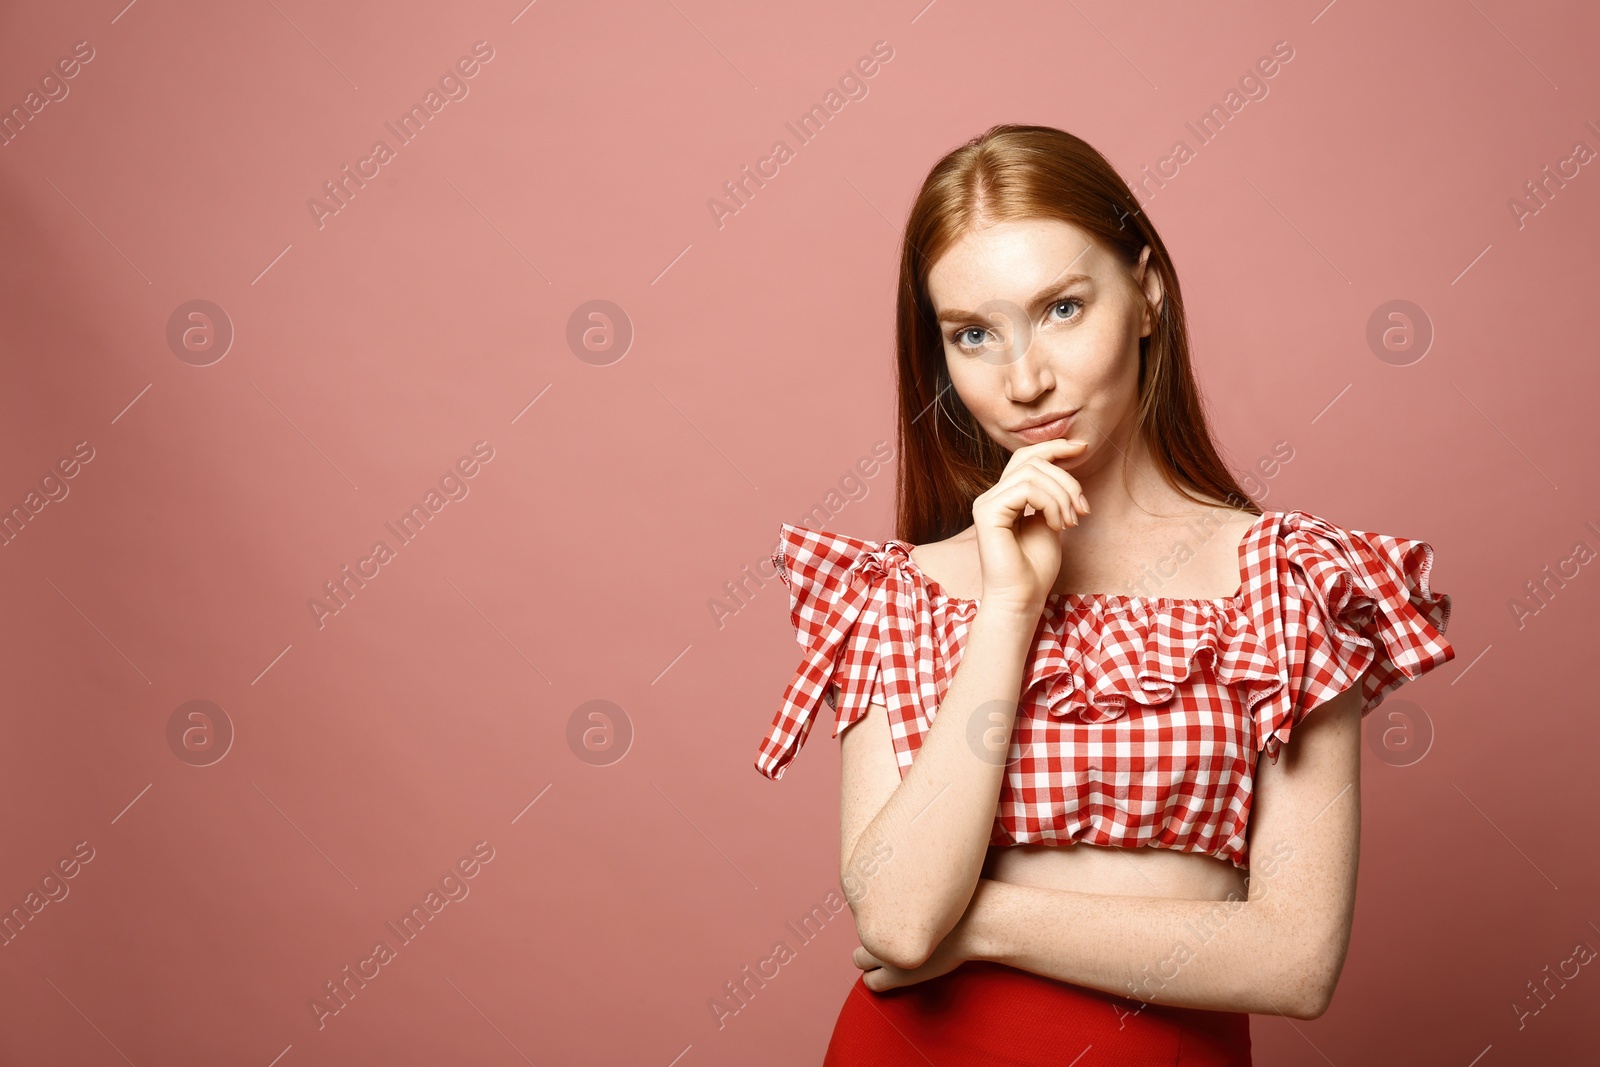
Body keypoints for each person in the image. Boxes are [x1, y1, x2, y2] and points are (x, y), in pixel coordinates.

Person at [754, 124, 1455, 1065]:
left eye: (1062, 308)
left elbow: (1296, 960)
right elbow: (897, 918)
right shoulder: (898, 595)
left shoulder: (1289, 584)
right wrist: (1010, 608)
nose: (1025, 378)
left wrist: (983, 922)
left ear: (1147, 295)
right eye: (973, 334)